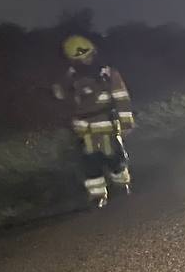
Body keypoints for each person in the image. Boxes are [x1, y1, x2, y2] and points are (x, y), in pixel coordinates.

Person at [53, 35, 135, 207]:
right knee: (90, 165)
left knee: (115, 160)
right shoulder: (69, 78)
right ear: (72, 60)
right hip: (84, 132)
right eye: (81, 59)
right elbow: (65, 102)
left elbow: (122, 98)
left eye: (88, 57)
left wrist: (126, 122)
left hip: (108, 127)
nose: (86, 61)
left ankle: (122, 188)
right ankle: (97, 197)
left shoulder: (107, 73)